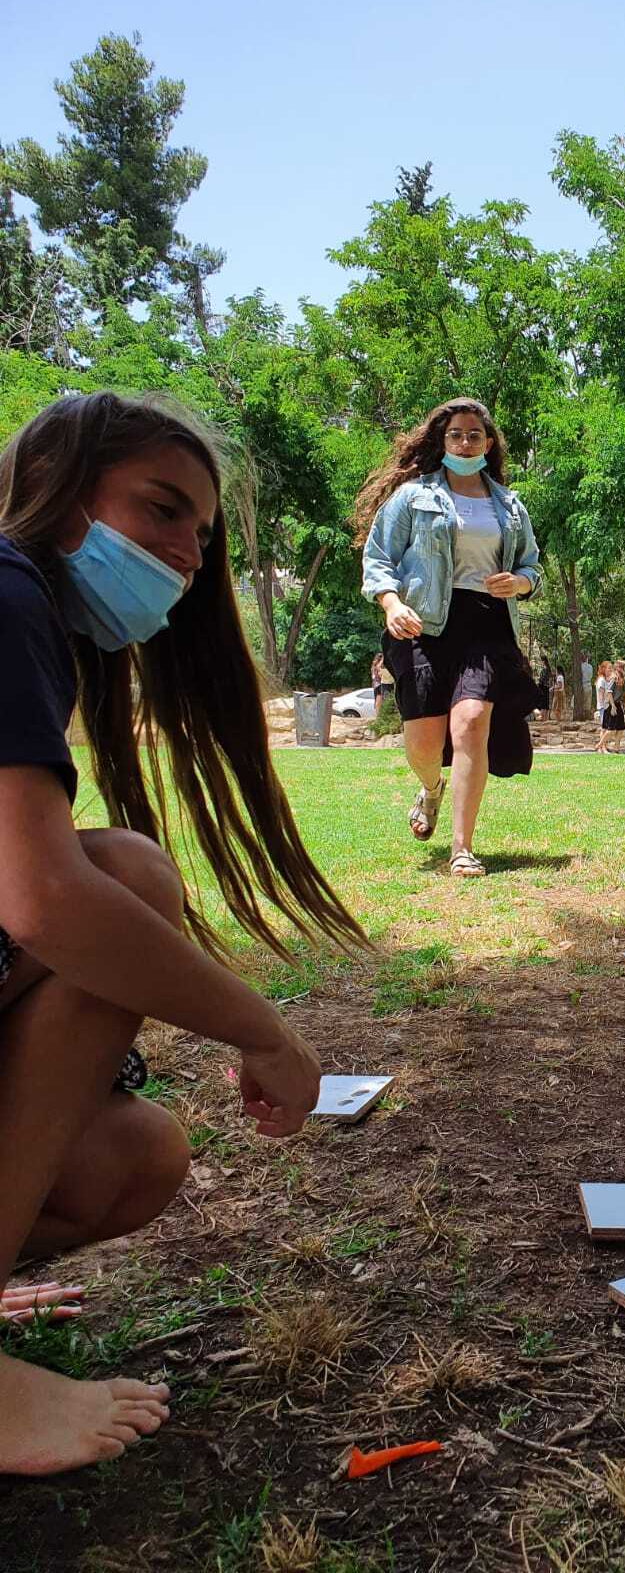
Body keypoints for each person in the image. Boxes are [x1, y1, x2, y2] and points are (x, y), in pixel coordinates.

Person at [0, 391, 365, 1477]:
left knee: (131, 1157)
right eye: (162, 509)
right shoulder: (8, 587)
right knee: (124, 881)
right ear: (58, 482)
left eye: (201, 534)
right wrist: (266, 1032)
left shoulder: (44, 630)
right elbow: (46, 901)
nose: (185, 553)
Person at [359, 397, 542, 878]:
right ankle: (430, 788)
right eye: (457, 434)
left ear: (489, 443)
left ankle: (462, 847)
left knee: (472, 720)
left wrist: (519, 583)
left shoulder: (508, 504)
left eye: (475, 435)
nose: (466, 442)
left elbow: (531, 567)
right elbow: (378, 557)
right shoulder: (412, 496)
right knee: (423, 742)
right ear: (441, 442)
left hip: (485, 621)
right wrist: (392, 603)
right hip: (423, 622)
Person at [602, 659, 625, 751]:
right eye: (620, 666)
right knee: (610, 729)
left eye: (623, 667)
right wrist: (613, 706)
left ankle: (616, 748)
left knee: (620, 728)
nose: (622, 668)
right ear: (616, 667)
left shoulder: (621, 677)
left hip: (618, 704)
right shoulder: (614, 677)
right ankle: (600, 744)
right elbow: (609, 692)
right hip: (611, 704)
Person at [593, 660, 613, 752]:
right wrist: (604, 707)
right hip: (603, 707)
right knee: (604, 729)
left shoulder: (603, 679)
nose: (611, 670)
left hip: (604, 707)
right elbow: (601, 695)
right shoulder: (601, 680)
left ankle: (601, 747)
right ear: (604, 669)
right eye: (609, 668)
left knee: (604, 728)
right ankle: (602, 747)